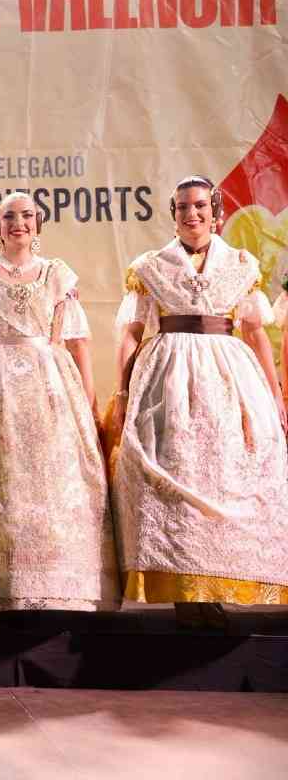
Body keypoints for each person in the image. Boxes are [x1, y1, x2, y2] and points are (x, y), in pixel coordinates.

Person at [112, 175, 288, 624]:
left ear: (216, 212)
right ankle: (185, 594)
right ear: (173, 215)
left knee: (225, 473)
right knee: (175, 472)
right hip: (168, 375)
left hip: (228, 376)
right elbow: (131, 334)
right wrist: (123, 391)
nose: (191, 214)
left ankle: (219, 585)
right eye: (183, 207)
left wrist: (274, 394)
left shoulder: (240, 264)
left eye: (200, 206)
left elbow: (255, 332)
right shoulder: (151, 266)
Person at [0, 192, 119, 612]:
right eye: (9, 216)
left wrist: (88, 402)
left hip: (51, 387)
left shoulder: (57, 274)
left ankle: (61, 586)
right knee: (2, 483)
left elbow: (77, 343)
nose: (18, 223)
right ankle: (6, 586)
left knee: (55, 481)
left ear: (38, 222)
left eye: (26, 215)